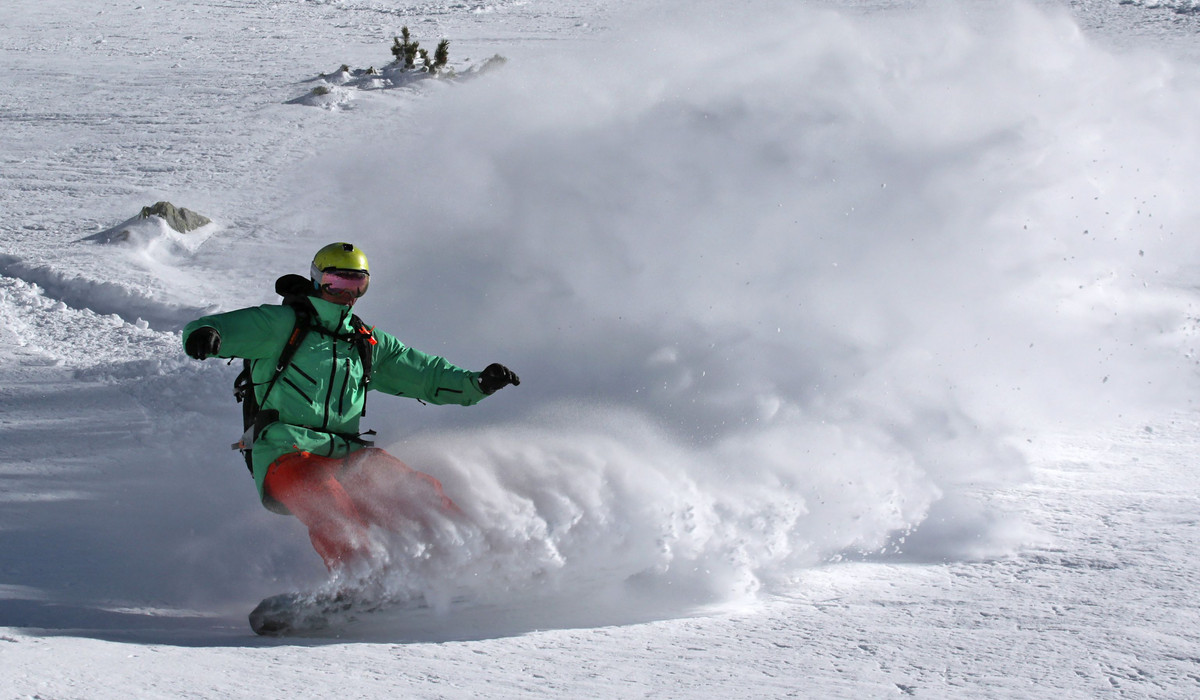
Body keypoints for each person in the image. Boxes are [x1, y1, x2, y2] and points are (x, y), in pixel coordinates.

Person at [182, 242, 519, 574]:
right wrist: (206, 335)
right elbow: (220, 328)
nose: (347, 293)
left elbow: (425, 374)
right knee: (326, 501)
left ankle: (483, 561)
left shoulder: (364, 342)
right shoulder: (279, 324)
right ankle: (361, 581)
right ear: (317, 280)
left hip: (345, 453)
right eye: (337, 282)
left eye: (357, 284)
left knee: (416, 490)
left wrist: (477, 384)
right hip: (285, 451)